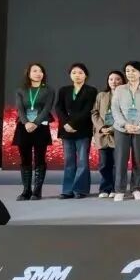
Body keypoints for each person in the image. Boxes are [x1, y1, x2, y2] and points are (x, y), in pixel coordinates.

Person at [13, 62, 55, 201]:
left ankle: (37, 191)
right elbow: (20, 109)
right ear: (29, 74)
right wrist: (26, 123)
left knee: (39, 158)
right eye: (35, 71)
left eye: (40, 71)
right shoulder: (21, 90)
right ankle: (26, 190)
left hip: (40, 127)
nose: (38, 73)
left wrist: (35, 123)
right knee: (25, 159)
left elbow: (47, 109)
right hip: (23, 127)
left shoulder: (48, 90)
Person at [56, 63, 98, 199]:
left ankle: (80, 190)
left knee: (82, 161)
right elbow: (59, 108)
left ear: (85, 75)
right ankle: (67, 190)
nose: (77, 75)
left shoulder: (91, 90)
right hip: (66, 130)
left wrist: (73, 123)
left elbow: (88, 109)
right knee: (69, 161)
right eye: (74, 73)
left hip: (83, 130)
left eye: (80, 73)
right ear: (70, 75)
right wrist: (66, 124)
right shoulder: (64, 90)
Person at [112, 61, 140, 201]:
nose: (130, 73)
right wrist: (125, 124)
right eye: (128, 71)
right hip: (122, 129)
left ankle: (136, 188)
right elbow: (115, 109)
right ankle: (119, 190)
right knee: (121, 160)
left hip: (139, 130)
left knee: (138, 160)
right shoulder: (120, 89)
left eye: (133, 70)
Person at [91, 70, 125, 199]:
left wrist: (113, 128)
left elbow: (126, 115)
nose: (114, 82)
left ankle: (116, 189)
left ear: (122, 81)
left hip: (118, 134)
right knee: (104, 164)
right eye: (111, 79)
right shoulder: (101, 95)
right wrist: (101, 127)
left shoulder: (126, 96)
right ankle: (105, 188)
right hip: (103, 135)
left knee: (117, 164)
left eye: (117, 79)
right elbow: (94, 113)